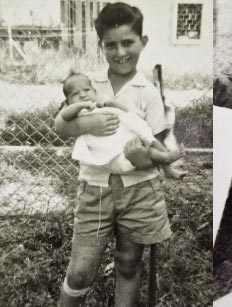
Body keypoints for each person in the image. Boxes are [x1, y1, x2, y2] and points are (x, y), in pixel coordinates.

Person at [55, 3, 177, 306]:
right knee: (81, 270)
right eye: (111, 44)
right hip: (95, 189)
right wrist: (88, 123)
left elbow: (156, 146)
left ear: (143, 42)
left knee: (128, 263)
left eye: (128, 42)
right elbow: (61, 125)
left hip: (139, 190)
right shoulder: (88, 84)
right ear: (102, 46)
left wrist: (142, 159)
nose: (120, 52)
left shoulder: (148, 92)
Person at [60, 72, 186, 178]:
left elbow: (124, 111)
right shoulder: (76, 111)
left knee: (150, 140)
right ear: (68, 101)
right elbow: (64, 116)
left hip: (124, 132)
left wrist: (112, 103)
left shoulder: (100, 101)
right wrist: (80, 106)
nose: (82, 95)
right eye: (75, 94)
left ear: (94, 91)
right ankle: (165, 157)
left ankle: (167, 168)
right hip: (110, 146)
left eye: (86, 90)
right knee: (145, 150)